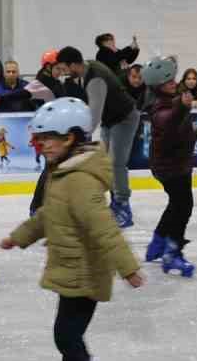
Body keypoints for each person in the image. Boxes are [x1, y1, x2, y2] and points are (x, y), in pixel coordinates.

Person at [0, 98, 144, 361]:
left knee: (66, 335)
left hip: (86, 273)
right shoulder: (64, 172)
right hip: (73, 267)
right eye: (39, 138)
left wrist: (128, 268)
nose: (42, 145)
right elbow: (49, 215)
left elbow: (103, 226)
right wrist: (20, 236)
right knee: (68, 333)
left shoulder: (79, 179)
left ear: (71, 137)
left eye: (49, 138)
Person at [55, 45, 139, 228]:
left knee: (116, 162)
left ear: (74, 65)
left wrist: (79, 139)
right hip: (112, 120)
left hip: (124, 119)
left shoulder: (95, 79)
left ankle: (123, 206)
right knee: (105, 163)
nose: (63, 73)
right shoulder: (88, 69)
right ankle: (115, 203)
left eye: (64, 68)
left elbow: (94, 115)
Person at [141, 55, 197, 276]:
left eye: (173, 79)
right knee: (183, 206)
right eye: (168, 82)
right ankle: (172, 254)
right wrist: (182, 108)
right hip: (170, 167)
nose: (174, 84)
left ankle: (156, 245)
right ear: (158, 86)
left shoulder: (168, 97)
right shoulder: (158, 106)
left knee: (176, 204)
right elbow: (167, 119)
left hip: (176, 164)